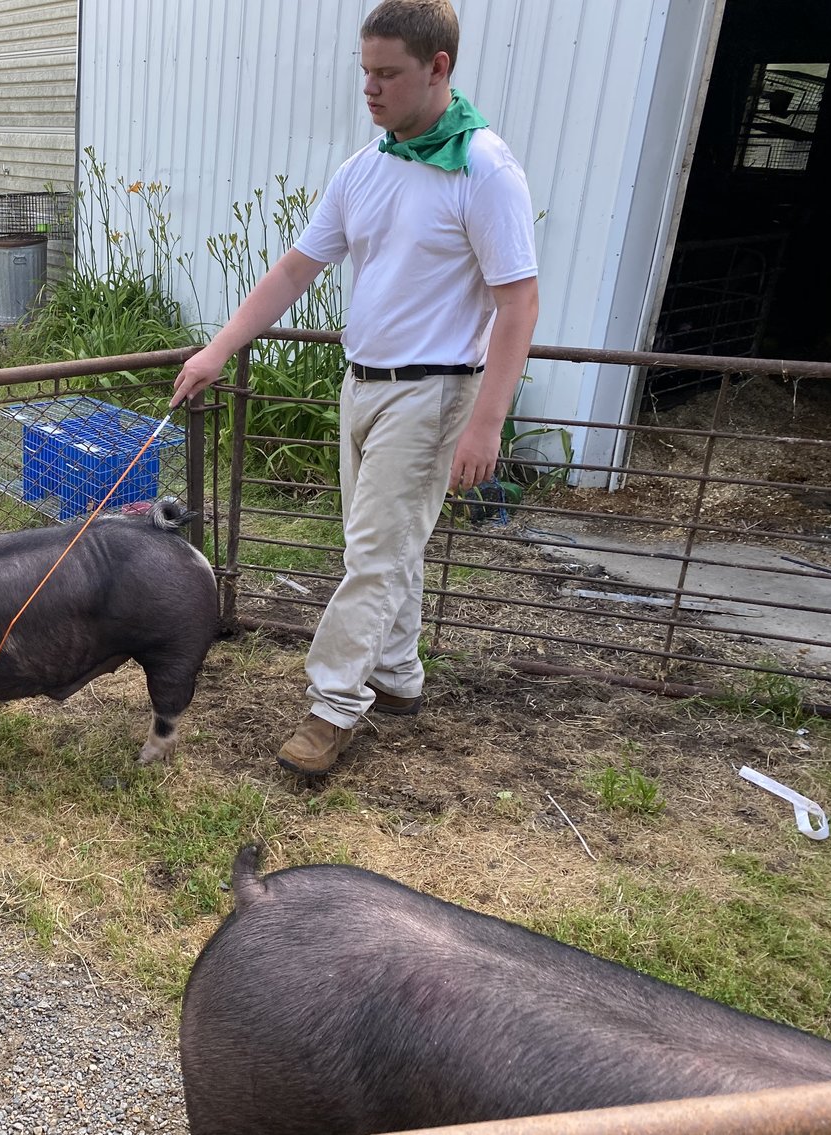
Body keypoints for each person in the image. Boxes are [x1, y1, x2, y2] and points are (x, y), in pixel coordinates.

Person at [170, 0, 540, 776]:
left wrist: (486, 422)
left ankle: (332, 705)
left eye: (387, 74)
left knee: (373, 554)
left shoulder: (483, 168)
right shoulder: (366, 167)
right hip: (362, 382)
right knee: (381, 547)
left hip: (434, 391)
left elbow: (517, 302)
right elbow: (294, 269)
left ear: (438, 68)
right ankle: (398, 677)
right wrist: (217, 350)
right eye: (363, 71)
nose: (368, 89)